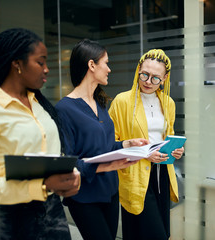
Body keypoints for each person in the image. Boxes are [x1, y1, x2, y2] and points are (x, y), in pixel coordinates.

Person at [0, 28, 81, 240]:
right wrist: (43, 185)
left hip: (52, 212)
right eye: (40, 62)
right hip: (10, 220)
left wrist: (70, 177)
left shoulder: (41, 106)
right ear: (17, 63)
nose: (46, 69)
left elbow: (53, 156)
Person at [55, 39, 149, 240]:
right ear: (91, 65)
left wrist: (126, 144)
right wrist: (103, 167)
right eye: (105, 63)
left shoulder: (102, 104)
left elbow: (105, 147)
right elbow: (67, 163)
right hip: (84, 197)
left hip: (110, 192)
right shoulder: (63, 109)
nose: (109, 69)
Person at [108, 49, 185, 240]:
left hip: (162, 173)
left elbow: (169, 134)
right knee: (149, 233)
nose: (148, 82)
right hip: (135, 175)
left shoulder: (168, 103)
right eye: (144, 74)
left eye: (155, 78)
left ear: (165, 78)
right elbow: (111, 143)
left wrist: (176, 149)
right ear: (138, 71)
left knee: (160, 231)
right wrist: (144, 153)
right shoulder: (122, 101)